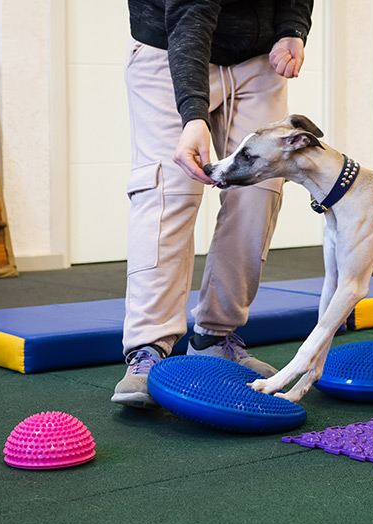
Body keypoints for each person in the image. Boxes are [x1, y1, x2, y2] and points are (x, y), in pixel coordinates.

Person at [112, 0, 314, 407]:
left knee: (259, 193)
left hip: (258, 61)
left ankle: (214, 337)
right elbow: (191, 14)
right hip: (170, 46)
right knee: (168, 192)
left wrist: (293, 28)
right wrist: (193, 115)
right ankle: (148, 350)